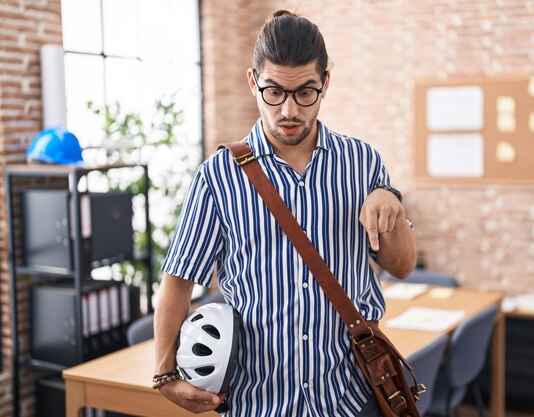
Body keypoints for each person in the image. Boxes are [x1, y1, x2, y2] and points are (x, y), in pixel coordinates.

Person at [154, 10, 417, 417]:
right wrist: (164, 374)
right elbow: (178, 279)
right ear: (252, 83)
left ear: (325, 82)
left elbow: (402, 266)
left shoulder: (363, 164)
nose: (289, 111)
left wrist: (392, 205)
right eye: (273, 92)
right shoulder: (217, 176)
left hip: (351, 398)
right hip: (258, 403)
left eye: (305, 92)